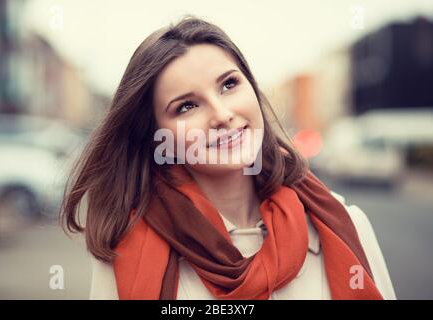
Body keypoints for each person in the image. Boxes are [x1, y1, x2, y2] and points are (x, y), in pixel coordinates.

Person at [60, 15, 396, 300]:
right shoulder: (122, 251)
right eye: (187, 106)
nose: (221, 114)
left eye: (229, 84)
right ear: (155, 135)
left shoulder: (345, 225)